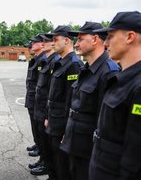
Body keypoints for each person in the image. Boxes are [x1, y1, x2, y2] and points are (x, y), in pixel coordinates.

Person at [58, 22, 119, 180]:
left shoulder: (108, 72)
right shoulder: (87, 69)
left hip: (89, 150)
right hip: (76, 144)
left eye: (81, 39)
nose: (76, 44)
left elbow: (104, 119)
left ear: (95, 39)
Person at [89, 11, 141, 180]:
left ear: (130, 37)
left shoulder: (138, 85)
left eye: (110, 36)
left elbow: (134, 158)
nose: (105, 43)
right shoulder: (121, 78)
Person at [45, 25, 83, 180]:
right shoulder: (61, 62)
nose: (53, 43)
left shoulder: (74, 64)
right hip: (54, 120)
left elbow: (71, 100)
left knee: (63, 167)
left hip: (62, 125)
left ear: (67, 40)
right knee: (55, 161)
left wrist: (67, 130)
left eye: (56, 39)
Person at [31, 35, 60, 179]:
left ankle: (48, 167)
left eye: (47, 41)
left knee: (49, 145)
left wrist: (47, 114)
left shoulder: (55, 61)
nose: (45, 43)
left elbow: (53, 91)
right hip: (40, 106)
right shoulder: (48, 61)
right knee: (42, 140)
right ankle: (45, 163)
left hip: (47, 110)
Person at [24, 34, 47, 159]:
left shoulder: (43, 60)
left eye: (33, 43)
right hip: (32, 98)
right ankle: (37, 144)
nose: (30, 47)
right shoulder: (35, 59)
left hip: (37, 100)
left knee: (39, 128)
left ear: (41, 44)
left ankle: (40, 148)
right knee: (34, 126)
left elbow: (41, 83)